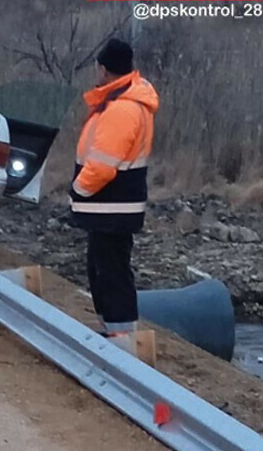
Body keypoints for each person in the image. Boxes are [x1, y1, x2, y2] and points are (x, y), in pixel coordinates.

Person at [70, 38, 159, 338]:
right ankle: (113, 333)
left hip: (112, 205)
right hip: (113, 206)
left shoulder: (122, 109)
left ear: (105, 70)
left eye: (98, 68)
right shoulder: (125, 103)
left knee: (111, 272)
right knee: (103, 269)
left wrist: (77, 190)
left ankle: (121, 339)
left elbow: (103, 166)